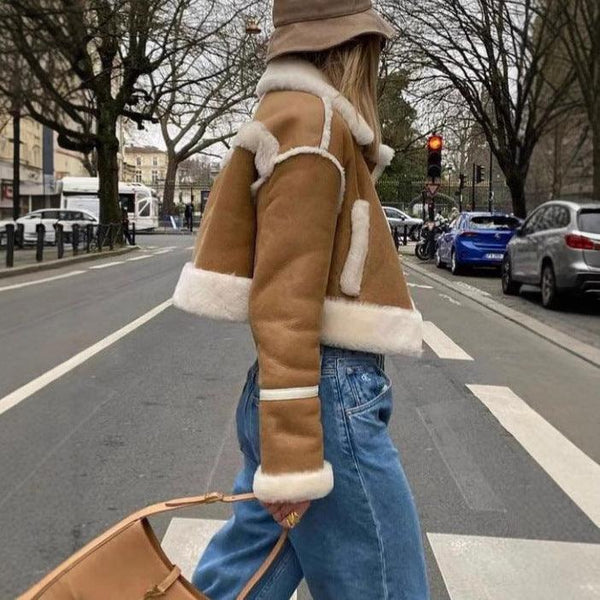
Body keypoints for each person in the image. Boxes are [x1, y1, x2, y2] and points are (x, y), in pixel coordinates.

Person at [172, 0, 429, 597]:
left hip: (310, 392)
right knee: (389, 587)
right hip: (327, 394)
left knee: (242, 580)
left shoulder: (298, 117)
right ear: (349, 48)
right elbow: (284, 299)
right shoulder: (314, 125)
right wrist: (292, 455)